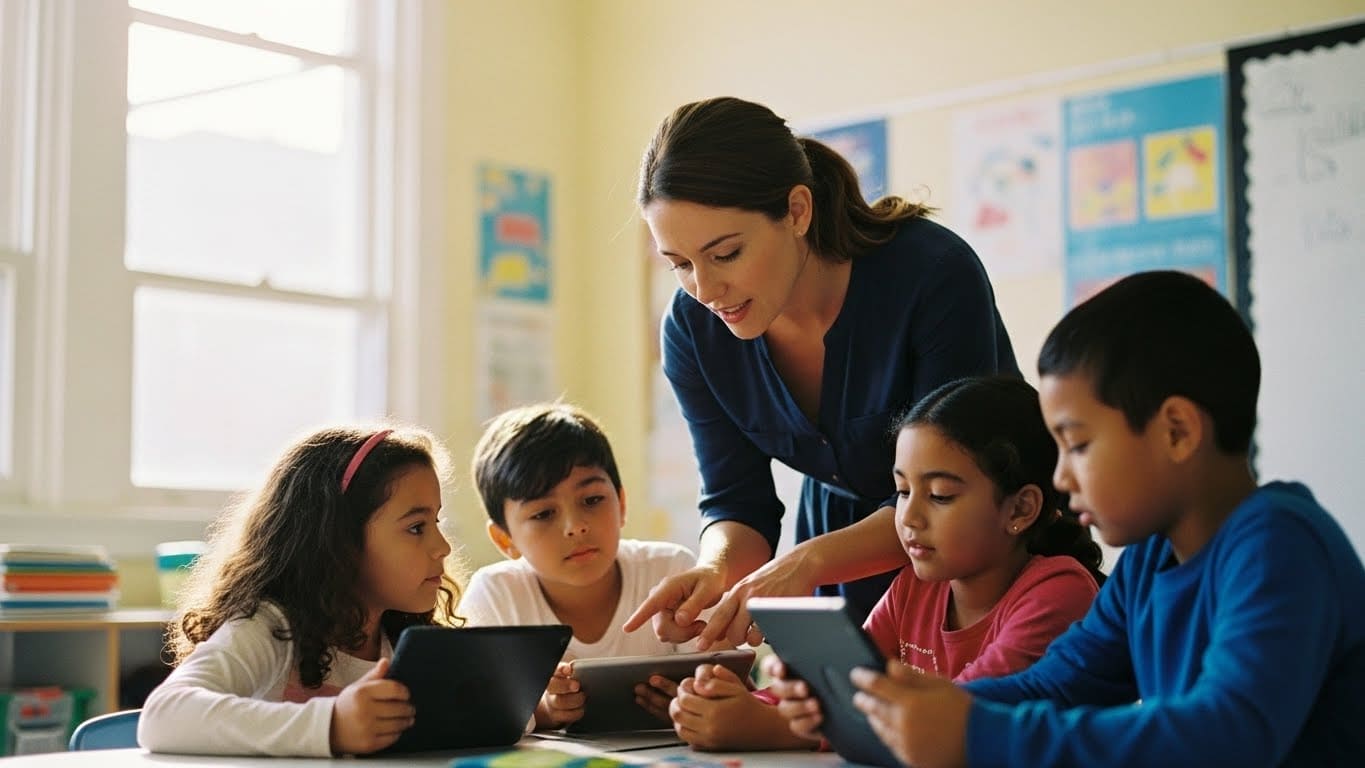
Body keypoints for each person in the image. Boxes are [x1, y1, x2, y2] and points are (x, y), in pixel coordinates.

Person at [775, 271, 1365, 767]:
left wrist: (976, 733)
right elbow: (1056, 683)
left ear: (1177, 431)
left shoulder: (1279, 545)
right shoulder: (1150, 562)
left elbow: (1225, 735)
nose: (1061, 477)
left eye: (1078, 445)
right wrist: (886, 709)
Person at [623, 96, 1020, 650]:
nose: (705, 291)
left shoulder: (931, 274)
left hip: (984, 564)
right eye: (680, 265)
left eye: (726, 254)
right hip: (842, 565)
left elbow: (950, 493)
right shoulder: (692, 332)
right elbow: (738, 504)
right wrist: (715, 572)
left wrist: (807, 563)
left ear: (797, 211)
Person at [670, 376, 1101, 751]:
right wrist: (732, 704)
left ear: (1020, 509)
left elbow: (952, 719)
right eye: (902, 491)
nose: (909, 518)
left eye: (940, 495)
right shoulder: (915, 586)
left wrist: (773, 727)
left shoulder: (1059, 593)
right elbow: (840, 690)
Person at [138, 425, 462, 757]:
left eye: (436, 522)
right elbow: (163, 716)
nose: (443, 547)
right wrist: (331, 725)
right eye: (416, 527)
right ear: (338, 540)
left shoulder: (411, 644)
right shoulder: (270, 627)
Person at [459, 402, 705, 731]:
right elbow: (476, 710)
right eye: (543, 514)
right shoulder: (496, 595)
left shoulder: (670, 570)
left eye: (592, 500)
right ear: (505, 539)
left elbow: (727, 677)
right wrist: (545, 711)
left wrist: (692, 703)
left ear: (621, 504)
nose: (575, 527)